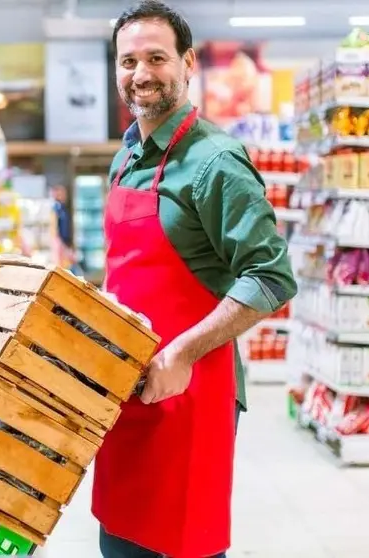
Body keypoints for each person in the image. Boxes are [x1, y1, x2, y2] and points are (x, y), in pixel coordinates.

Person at [94, 2, 297, 558]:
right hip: (127, 387)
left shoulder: (215, 162)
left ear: (187, 63)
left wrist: (180, 353)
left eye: (156, 57)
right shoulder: (127, 157)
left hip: (192, 391)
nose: (140, 74)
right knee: (122, 541)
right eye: (128, 61)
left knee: (184, 544)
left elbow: (271, 277)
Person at [50, 184, 79, 273]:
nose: (64, 195)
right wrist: (59, 243)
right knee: (62, 267)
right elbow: (54, 227)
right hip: (60, 242)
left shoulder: (63, 208)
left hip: (65, 242)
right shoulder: (55, 208)